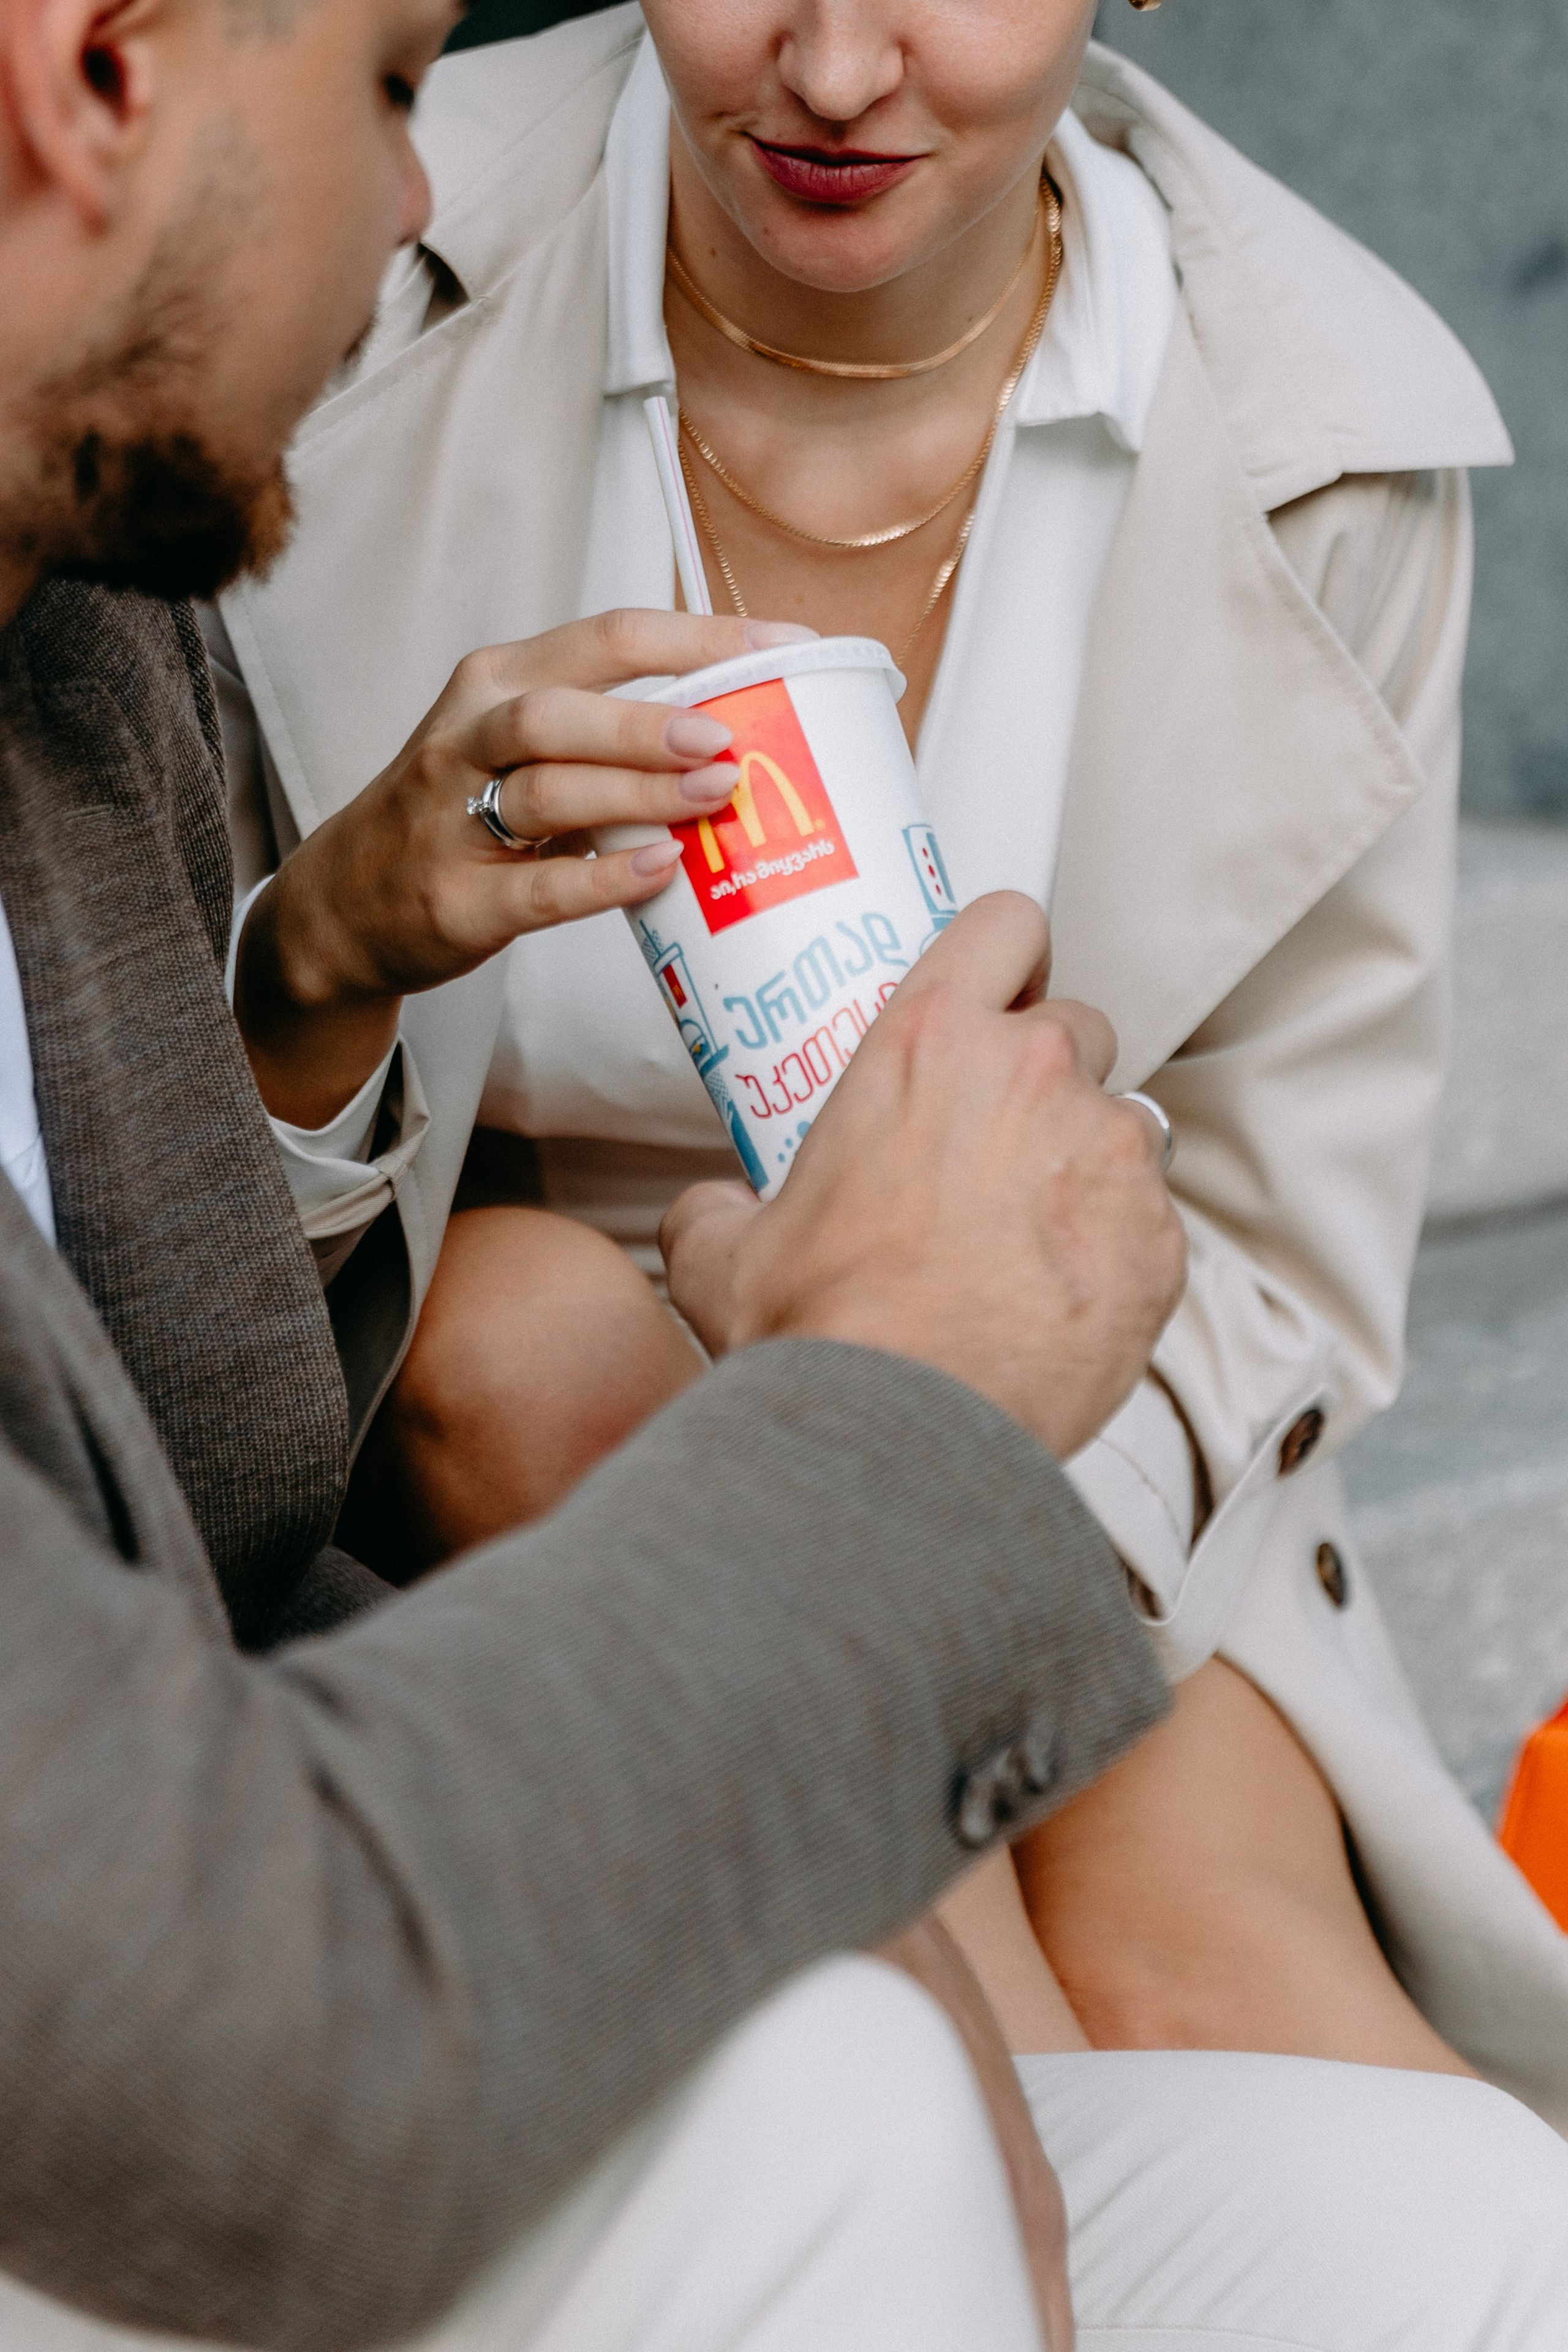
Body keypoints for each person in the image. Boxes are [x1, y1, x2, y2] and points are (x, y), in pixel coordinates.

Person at [15, 0, 1567, 2346]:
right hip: (490, 1383)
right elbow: (166, 1294)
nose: (836, 67)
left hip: (1098, 1412)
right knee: (540, 1345)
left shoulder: (1323, 421)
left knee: (1338, 2083)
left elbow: (1272, 1246)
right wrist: (323, 948)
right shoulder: (277, 300)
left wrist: (974, 1425)